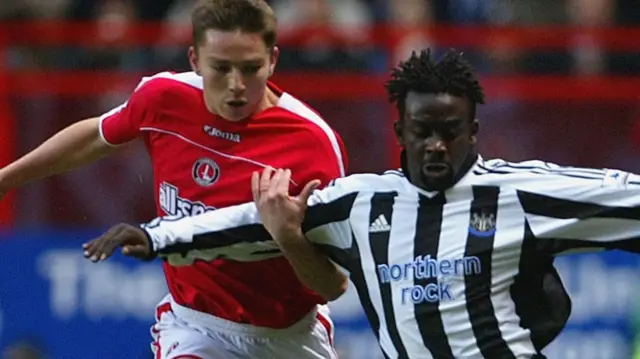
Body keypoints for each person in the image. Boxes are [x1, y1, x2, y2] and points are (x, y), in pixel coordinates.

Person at [84, 48, 640, 359]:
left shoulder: (523, 193)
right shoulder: (362, 207)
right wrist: (157, 236)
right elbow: (254, 222)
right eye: (424, 130)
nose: (437, 144)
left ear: (474, 130)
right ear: (399, 129)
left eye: (451, 130)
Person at [0, 0, 349, 358]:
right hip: (196, 327)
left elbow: (331, 285)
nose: (236, 85)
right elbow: (96, 136)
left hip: (289, 336)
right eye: (221, 68)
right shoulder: (163, 98)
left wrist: (288, 237)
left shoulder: (314, 145)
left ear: (273, 60)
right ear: (195, 60)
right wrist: (5, 180)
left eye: (250, 68)